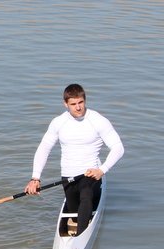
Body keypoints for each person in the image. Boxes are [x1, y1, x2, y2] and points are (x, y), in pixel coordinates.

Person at [24, 84, 124, 235]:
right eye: (73, 104)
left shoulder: (98, 120)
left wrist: (102, 170)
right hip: (68, 177)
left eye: (81, 102)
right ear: (65, 104)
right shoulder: (58, 122)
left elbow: (118, 148)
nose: (78, 108)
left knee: (86, 196)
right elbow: (44, 148)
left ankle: (80, 237)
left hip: (90, 174)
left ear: (85, 101)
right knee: (75, 212)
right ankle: (76, 227)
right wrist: (35, 178)